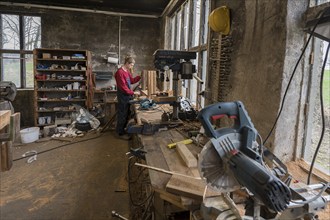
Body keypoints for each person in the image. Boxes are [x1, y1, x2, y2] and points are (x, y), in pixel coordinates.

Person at [115, 57, 141, 139]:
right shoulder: (120, 72)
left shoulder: (127, 71)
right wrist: (133, 92)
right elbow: (123, 87)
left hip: (127, 95)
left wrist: (140, 76)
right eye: (131, 65)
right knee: (122, 113)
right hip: (123, 95)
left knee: (127, 113)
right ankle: (120, 132)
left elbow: (132, 81)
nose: (132, 67)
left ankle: (124, 129)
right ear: (127, 63)